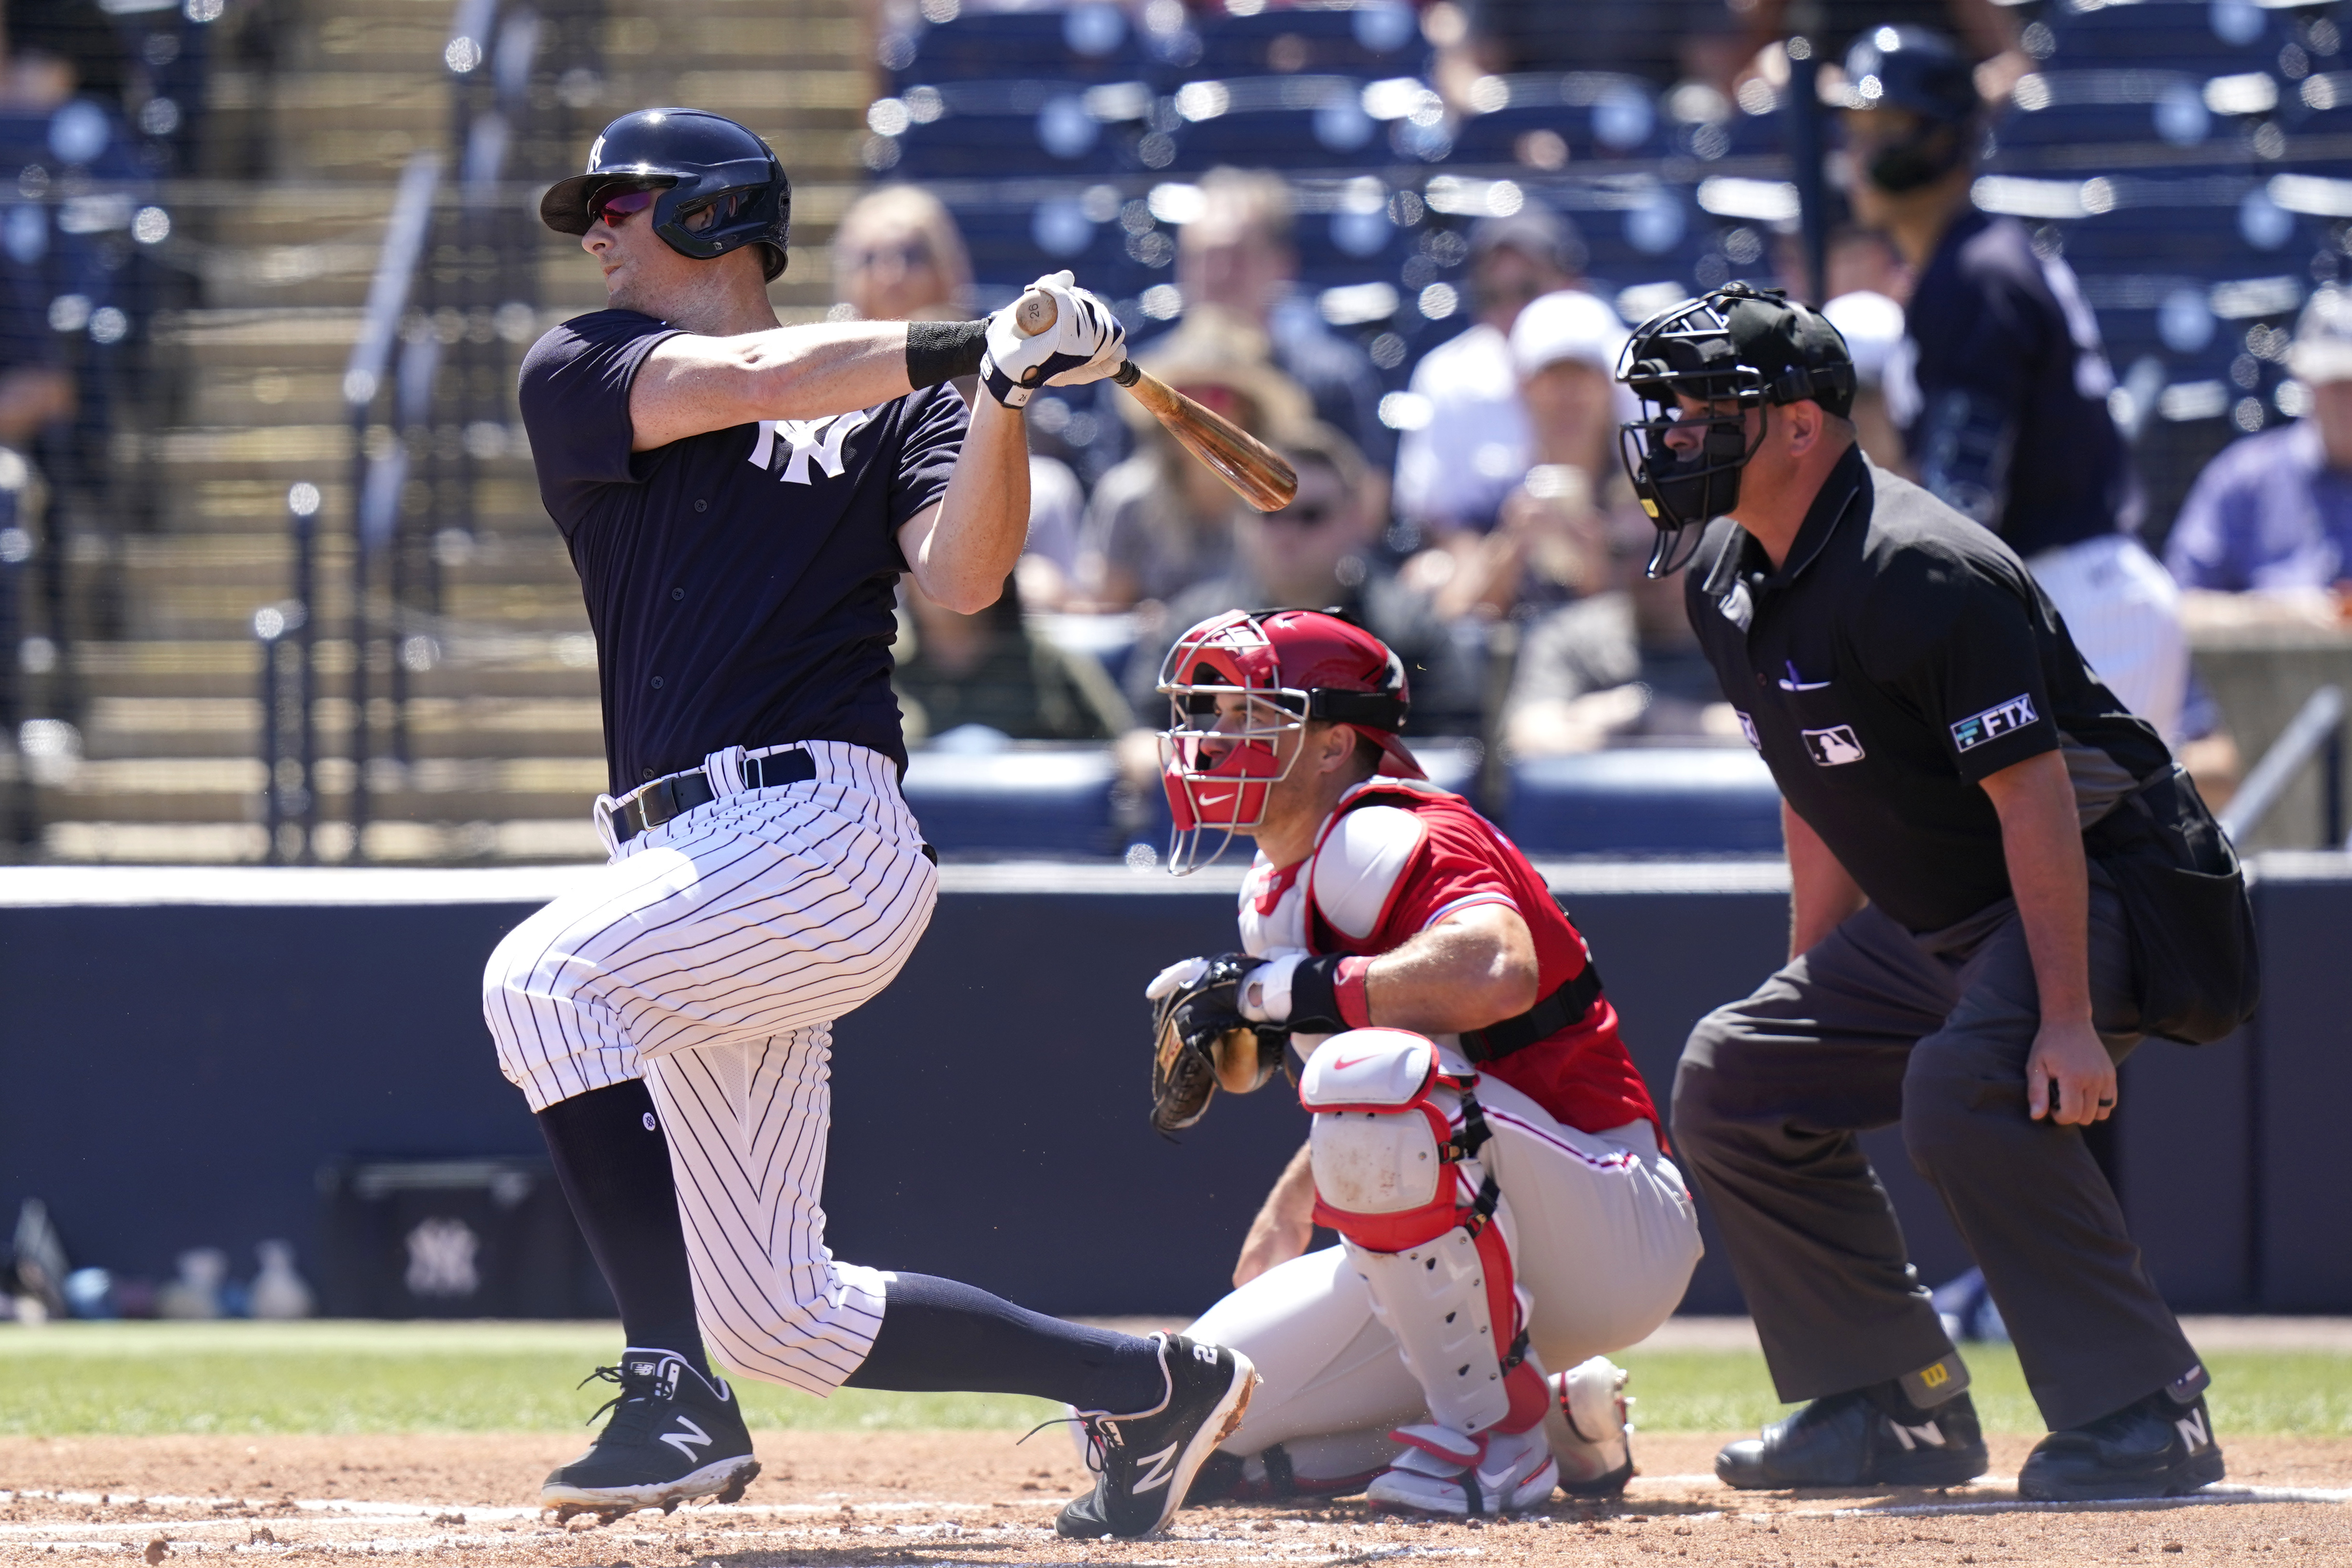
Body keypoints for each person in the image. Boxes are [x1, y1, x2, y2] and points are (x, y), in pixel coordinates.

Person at [484, 107, 1254, 1540]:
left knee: (541, 981)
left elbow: (963, 579)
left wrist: (1004, 396)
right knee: (781, 1314)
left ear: (717, 215)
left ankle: (671, 1394)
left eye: (621, 202)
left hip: (816, 835)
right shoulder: (583, 367)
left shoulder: (898, 402)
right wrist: (978, 340)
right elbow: (758, 371)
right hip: (676, 859)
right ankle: (1146, 1384)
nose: (592, 230)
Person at [1620, 282, 2236, 1500]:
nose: (1677, 432)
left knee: (1961, 1086)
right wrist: (1809, 975)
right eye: (1672, 410)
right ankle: (1891, 1403)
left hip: (2123, 889)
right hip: (1947, 919)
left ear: (1801, 425)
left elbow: (2038, 801)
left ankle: (2145, 1411)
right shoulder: (1723, 579)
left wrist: (2065, 1020)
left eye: (1707, 407)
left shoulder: (1924, 567)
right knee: (1733, 1075)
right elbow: (1813, 786)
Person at [1133, 608, 1701, 1513]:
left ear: (1331, 745)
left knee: (1369, 1082)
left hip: (1609, 1209)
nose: (1212, 736)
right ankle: (1557, 1413)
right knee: (1196, 1426)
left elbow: (1494, 968)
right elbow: (1406, 1072)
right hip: (1483, 1229)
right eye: (1209, 712)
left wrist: (1271, 993)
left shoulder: (1389, 827)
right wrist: (1288, 1205)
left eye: (1249, 714)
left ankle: (1496, 1437)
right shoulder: (1277, 886)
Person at [1845, 26, 2189, 742]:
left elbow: (1961, 500)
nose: (1862, 153)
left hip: (2070, 598)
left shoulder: (1975, 273)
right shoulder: (1973, 260)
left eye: (1887, 129)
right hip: (2072, 595)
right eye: (1858, 130)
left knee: (2058, 851)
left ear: (1942, 137)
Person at [1123, 423, 1478, 736]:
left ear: (1355, 518)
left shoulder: (1408, 627)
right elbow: (1142, 733)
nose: (1287, 531)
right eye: (1267, 510)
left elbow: (1450, 747)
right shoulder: (1198, 627)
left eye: (1310, 515)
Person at [832, 182, 1087, 606]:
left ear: (948, 267)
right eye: (870, 258)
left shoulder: (1000, 354)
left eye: (911, 254)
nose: (890, 274)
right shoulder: (820, 393)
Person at [1077, 311, 1315, 610]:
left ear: (1248, 414)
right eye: (1184, 396)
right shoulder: (1127, 497)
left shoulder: (1284, 501)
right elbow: (1109, 608)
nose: (1195, 411)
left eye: (1216, 396)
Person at [1174, 167, 1394, 474]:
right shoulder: (1141, 384)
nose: (1220, 273)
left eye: (1238, 255)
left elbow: (1369, 499)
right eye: (1205, 256)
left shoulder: (1334, 381)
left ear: (1282, 264)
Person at [1391, 208, 1581, 545]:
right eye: (1492, 297)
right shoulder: (1445, 374)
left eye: (1527, 291)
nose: (1510, 312)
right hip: (1486, 559)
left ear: (1570, 286)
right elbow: (1435, 517)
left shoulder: (1616, 361)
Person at [2163, 286, 2352, 604]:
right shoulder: (2242, 479)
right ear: (2307, 381)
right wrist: (2285, 620)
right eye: (2338, 385)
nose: (2349, 403)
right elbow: (2182, 607)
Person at [894, 569, 1132, 744]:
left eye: (960, 553)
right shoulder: (879, 664)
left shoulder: (1047, 661)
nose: (944, 573)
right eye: (928, 559)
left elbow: (1123, 742)